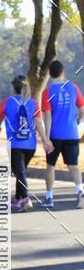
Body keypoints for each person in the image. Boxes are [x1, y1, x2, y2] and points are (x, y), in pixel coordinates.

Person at [0, 75, 52, 212]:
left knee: (19, 172)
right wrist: (45, 140)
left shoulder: (7, 102)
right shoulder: (32, 103)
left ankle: (25, 199)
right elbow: (38, 123)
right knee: (20, 171)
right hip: (30, 146)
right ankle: (17, 197)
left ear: (14, 87)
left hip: (15, 145)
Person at [41, 60, 84, 209]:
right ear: (63, 71)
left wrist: (46, 139)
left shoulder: (47, 92)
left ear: (49, 74)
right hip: (72, 134)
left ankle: (49, 197)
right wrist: (77, 120)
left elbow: (47, 117)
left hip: (55, 136)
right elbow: (82, 109)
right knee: (73, 166)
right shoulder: (74, 88)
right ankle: (80, 191)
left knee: (50, 166)